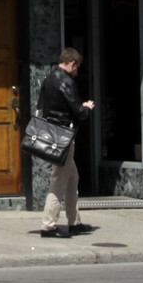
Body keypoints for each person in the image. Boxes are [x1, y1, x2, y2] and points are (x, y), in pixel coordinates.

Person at [37, 46, 94, 240]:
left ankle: (74, 222)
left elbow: (41, 107)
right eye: (77, 68)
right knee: (59, 179)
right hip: (64, 136)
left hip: (52, 134)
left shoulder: (48, 78)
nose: (77, 72)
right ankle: (48, 226)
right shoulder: (66, 81)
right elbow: (78, 111)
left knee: (72, 177)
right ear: (72, 64)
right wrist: (86, 107)